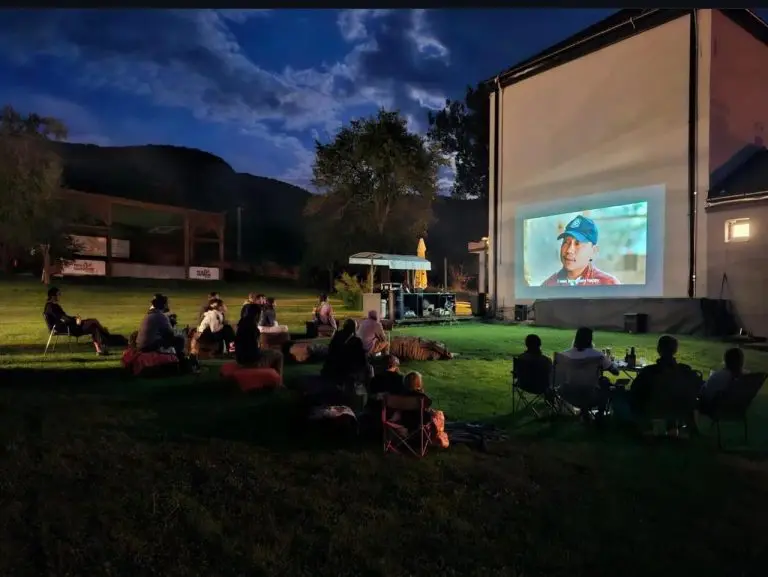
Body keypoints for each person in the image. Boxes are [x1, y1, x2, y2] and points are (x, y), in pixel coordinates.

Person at [540, 215, 620, 287]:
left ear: (593, 251)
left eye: (577, 243)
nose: (569, 250)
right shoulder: (548, 286)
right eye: (566, 242)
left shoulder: (608, 284)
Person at [136, 293, 198, 371]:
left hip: (143, 346)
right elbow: (169, 335)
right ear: (163, 305)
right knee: (180, 340)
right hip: (151, 346)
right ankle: (182, 363)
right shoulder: (160, 316)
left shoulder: (149, 315)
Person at [43, 286, 110, 355]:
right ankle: (104, 337)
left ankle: (99, 349)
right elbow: (62, 319)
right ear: (53, 296)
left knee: (94, 325)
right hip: (67, 328)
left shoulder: (52, 306)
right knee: (93, 322)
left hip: (68, 325)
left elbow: (64, 317)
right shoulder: (51, 307)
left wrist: (75, 318)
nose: (60, 296)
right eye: (58, 294)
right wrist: (75, 321)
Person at [234, 305, 284, 382]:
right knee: (279, 355)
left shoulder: (241, 323)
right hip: (250, 362)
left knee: (270, 352)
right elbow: (254, 351)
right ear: (257, 315)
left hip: (239, 359)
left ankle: (271, 378)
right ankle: (278, 382)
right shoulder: (253, 328)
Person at [699, 347, 745, 415]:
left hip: (711, 407)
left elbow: (704, 392)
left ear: (726, 360)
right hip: (733, 409)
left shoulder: (720, 375)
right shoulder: (743, 379)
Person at [321, 318, 368, 384]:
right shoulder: (356, 340)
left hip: (334, 366)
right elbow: (362, 358)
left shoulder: (337, 335)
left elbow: (330, 349)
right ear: (354, 329)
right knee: (368, 367)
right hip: (347, 368)